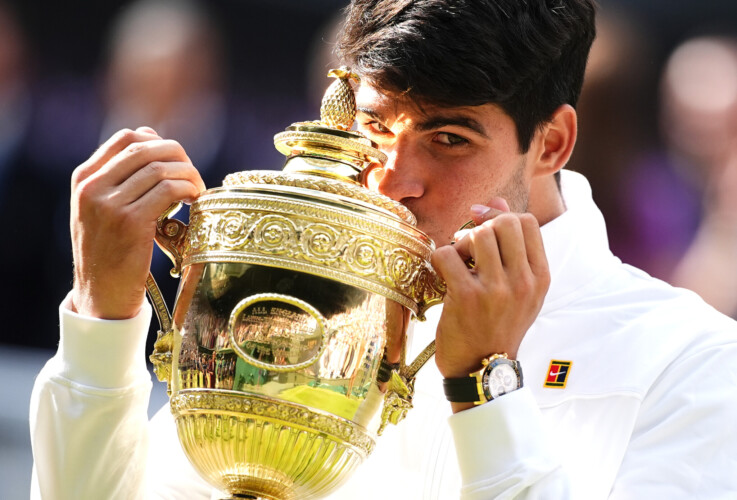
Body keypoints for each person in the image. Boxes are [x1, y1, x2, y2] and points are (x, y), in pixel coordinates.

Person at [30, 1, 737, 499]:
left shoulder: (692, 362)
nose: (395, 181)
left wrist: (485, 388)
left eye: (448, 140)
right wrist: (102, 313)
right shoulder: (297, 303)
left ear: (549, 142)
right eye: (375, 129)